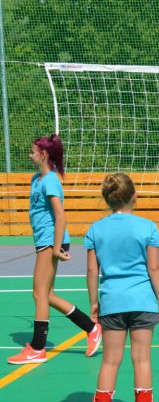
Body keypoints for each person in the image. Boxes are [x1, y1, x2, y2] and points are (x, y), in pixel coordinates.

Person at [8, 135, 102, 365]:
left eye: (33, 151)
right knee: (47, 295)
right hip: (45, 240)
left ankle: (38, 348)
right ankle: (91, 328)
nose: (29, 155)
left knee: (39, 293)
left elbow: (60, 216)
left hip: (51, 241)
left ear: (44, 155)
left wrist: (57, 247)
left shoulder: (50, 180)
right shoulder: (36, 178)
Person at [85, 173, 159, 402]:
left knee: (110, 361)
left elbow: (92, 271)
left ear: (107, 198)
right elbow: (154, 268)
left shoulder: (95, 229)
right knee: (141, 359)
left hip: (112, 301)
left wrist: (94, 302)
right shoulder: (147, 227)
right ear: (134, 196)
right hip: (142, 301)